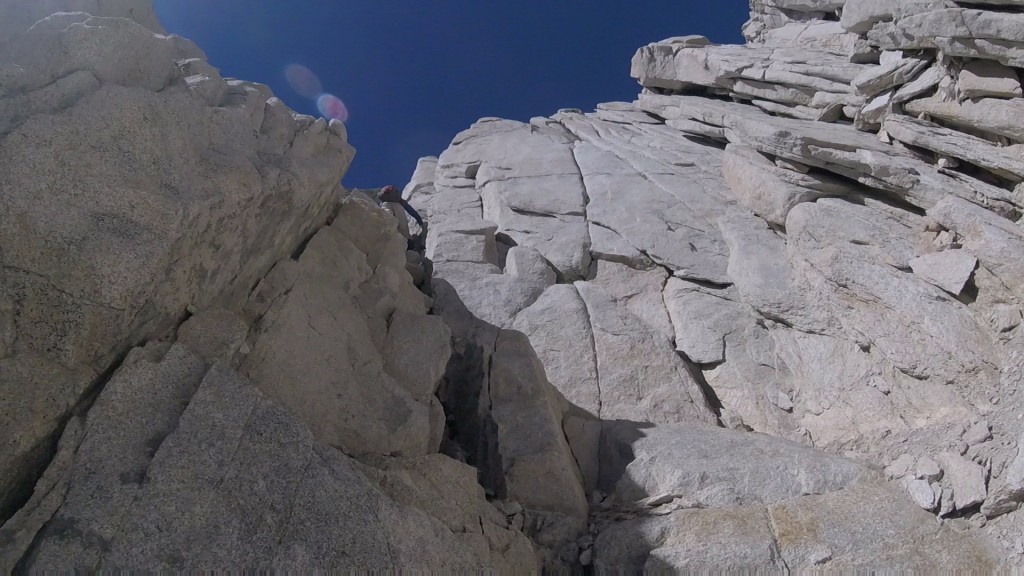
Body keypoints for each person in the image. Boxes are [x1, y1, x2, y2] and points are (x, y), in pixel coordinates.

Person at [379, 185, 427, 251]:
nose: (398, 194)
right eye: (396, 192)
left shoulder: (399, 204)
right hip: (400, 237)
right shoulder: (387, 204)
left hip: (403, 238)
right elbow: (388, 216)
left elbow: (412, 212)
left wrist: (420, 221)